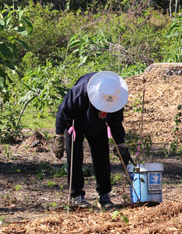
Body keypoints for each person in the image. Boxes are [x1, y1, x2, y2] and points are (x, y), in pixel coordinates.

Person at [53, 71, 133, 209]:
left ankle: (104, 195)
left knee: (102, 157)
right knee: (75, 157)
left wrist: (121, 145)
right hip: (75, 122)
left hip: (99, 124)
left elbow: (115, 123)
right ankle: (76, 196)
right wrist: (59, 137)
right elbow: (63, 111)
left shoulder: (116, 95)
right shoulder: (81, 90)